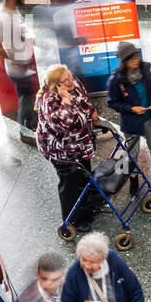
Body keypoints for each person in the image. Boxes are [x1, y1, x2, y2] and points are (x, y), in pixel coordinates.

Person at [35, 63, 101, 233]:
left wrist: (92, 112)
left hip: (80, 145)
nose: (71, 81)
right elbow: (67, 126)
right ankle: (72, 220)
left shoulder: (73, 83)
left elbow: (84, 99)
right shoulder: (49, 102)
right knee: (70, 184)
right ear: (56, 85)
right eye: (66, 81)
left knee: (84, 176)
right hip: (61, 151)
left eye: (70, 76)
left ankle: (86, 209)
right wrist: (66, 102)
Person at [107, 41, 151, 193]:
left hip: (149, 118)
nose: (136, 60)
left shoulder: (145, 69)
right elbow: (112, 102)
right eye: (132, 58)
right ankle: (133, 178)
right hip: (131, 123)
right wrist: (131, 108)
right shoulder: (116, 80)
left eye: (137, 56)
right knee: (132, 153)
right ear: (124, 61)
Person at [0, 0, 38, 131]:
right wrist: (14, 59)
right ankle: (26, 126)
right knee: (25, 97)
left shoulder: (13, 9)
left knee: (28, 95)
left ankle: (29, 119)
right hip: (18, 68)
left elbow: (20, 26)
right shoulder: (3, 18)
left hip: (24, 63)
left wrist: (28, 36)